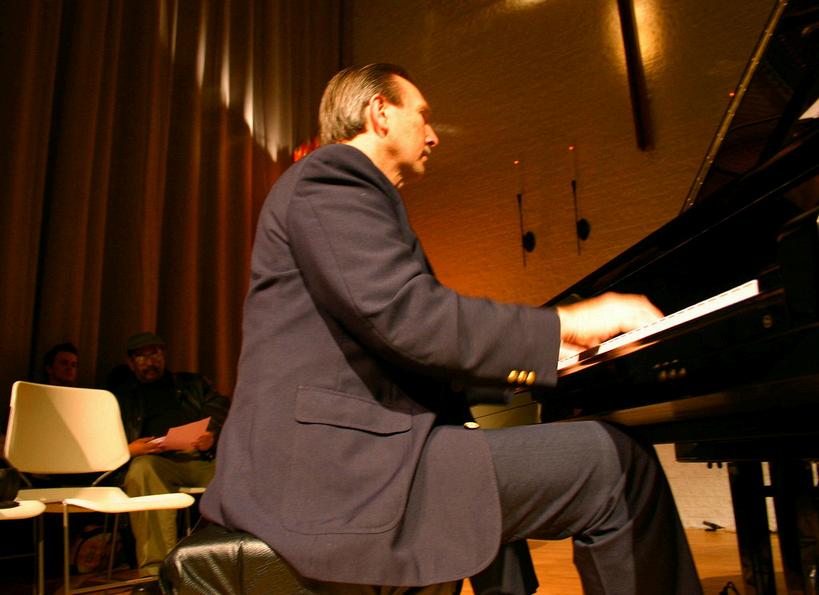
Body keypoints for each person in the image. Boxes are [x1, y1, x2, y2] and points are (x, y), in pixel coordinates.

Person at [201, 64, 702, 594]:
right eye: (422, 115)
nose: (434, 135)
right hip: (333, 472)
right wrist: (566, 324)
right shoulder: (331, 176)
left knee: (494, 446)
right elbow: (408, 317)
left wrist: (543, 361)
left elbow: (406, 343)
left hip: (348, 456)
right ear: (379, 113)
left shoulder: (342, 192)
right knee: (617, 465)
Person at [113, 331, 230, 579]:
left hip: (199, 458)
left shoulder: (193, 384)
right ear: (131, 363)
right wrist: (129, 449)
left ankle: (240, 562)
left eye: (154, 354)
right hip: (155, 462)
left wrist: (211, 434)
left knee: (243, 469)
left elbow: (220, 407)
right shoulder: (122, 396)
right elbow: (103, 439)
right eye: (141, 356)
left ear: (164, 355)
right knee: (142, 469)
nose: (149, 361)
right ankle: (157, 573)